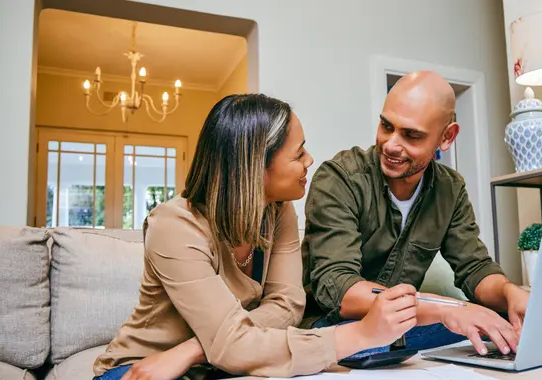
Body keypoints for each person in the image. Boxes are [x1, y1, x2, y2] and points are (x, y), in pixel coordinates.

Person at [92, 94, 420, 380]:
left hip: (213, 364)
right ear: (255, 168)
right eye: (298, 153)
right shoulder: (174, 225)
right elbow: (233, 343)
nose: (309, 160)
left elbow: (289, 305)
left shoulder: (278, 212)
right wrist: (362, 334)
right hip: (143, 368)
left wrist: (195, 349)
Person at [300, 71, 530, 357]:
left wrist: (510, 293)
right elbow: (338, 288)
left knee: (510, 322)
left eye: (411, 135)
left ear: (447, 137)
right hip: (336, 326)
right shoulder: (341, 178)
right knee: (389, 342)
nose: (391, 144)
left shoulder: (450, 188)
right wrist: (447, 308)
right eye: (386, 126)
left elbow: (475, 269)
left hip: (404, 326)